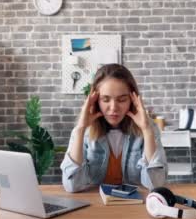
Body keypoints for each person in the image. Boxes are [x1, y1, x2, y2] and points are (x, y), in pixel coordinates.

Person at [60, 64, 167, 193]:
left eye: (122, 100)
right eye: (105, 99)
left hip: (136, 205)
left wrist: (147, 131)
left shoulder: (148, 127)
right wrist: (80, 129)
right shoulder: (84, 130)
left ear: (133, 100)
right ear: (95, 101)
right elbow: (72, 186)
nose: (113, 108)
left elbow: (156, 185)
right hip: (96, 205)